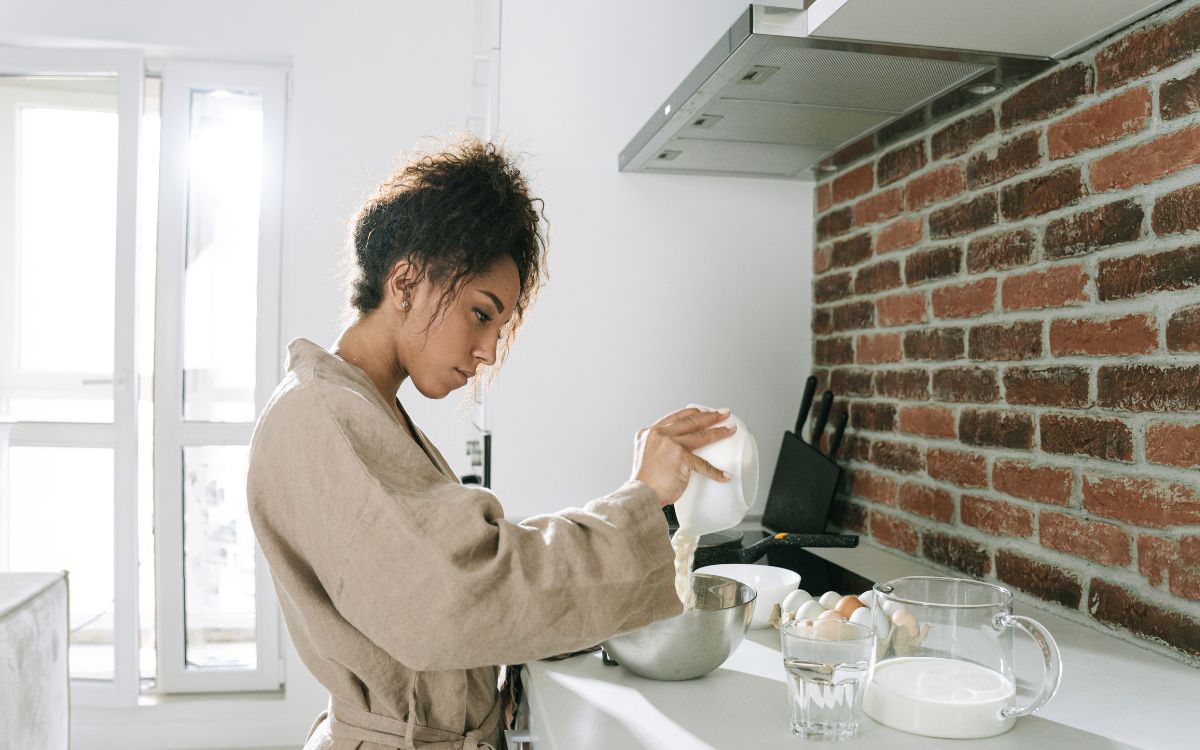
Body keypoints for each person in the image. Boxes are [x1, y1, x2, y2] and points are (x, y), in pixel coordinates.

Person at [247, 136, 735, 750]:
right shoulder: (321, 416)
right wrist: (639, 499)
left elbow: (469, 560)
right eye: (482, 313)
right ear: (405, 282)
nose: (489, 351)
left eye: (500, 328)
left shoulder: (368, 410)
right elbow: (458, 594)